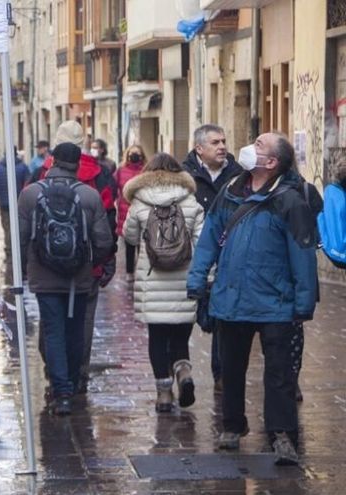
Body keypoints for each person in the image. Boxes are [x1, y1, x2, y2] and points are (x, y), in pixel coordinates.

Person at [187, 133, 318, 465]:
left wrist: (303, 303)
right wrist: (197, 278)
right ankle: (232, 427)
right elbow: (209, 239)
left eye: (259, 145)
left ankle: (282, 435)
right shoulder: (231, 192)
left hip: (276, 302)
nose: (250, 147)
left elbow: (303, 255)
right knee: (231, 368)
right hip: (231, 299)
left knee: (279, 373)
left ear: (271, 163)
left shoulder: (289, 201)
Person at [18, 142, 114, 415]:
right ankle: (71, 381)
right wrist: (90, 263)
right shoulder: (90, 196)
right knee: (74, 330)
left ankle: (61, 392)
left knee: (53, 330)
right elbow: (104, 241)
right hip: (79, 277)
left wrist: (27, 268)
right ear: (78, 164)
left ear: (52, 160)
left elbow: (20, 238)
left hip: (44, 277)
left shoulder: (30, 194)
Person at [122, 153, 204, 413]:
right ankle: (184, 373)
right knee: (180, 337)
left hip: (152, 280)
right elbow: (202, 242)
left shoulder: (139, 200)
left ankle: (164, 394)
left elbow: (130, 237)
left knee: (157, 338)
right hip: (184, 281)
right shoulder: (190, 201)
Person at [53, 121, 118, 393]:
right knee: (84, 321)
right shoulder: (101, 174)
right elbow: (108, 221)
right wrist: (105, 260)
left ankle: (57, 376)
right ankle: (79, 375)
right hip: (87, 263)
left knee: (52, 322)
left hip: (49, 264)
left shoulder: (42, 173)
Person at [181, 124, 242, 393]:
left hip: (229, 255)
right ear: (199, 148)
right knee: (186, 317)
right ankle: (182, 370)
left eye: (224, 141)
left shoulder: (239, 175)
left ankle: (221, 373)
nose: (222, 147)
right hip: (193, 256)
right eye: (215, 142)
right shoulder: (185, 176)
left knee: (221, 317)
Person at [0, 147, 30, 261]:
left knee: (7, 228)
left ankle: (9, 252)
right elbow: (28, 184)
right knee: (19, 227)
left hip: (4, 204)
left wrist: (0, 197)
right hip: (19, 203)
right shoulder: (23, 167)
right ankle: (18, 251)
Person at [116, 144, 147, 278]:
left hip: (143, 209)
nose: (134, 157)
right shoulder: (120, 171)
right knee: (129, 243)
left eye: (137, 154)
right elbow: (115, 188)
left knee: (143, 243)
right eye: (132, 154)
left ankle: (142, 272)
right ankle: (129, 272)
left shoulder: (146, 171)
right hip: (125, 211)